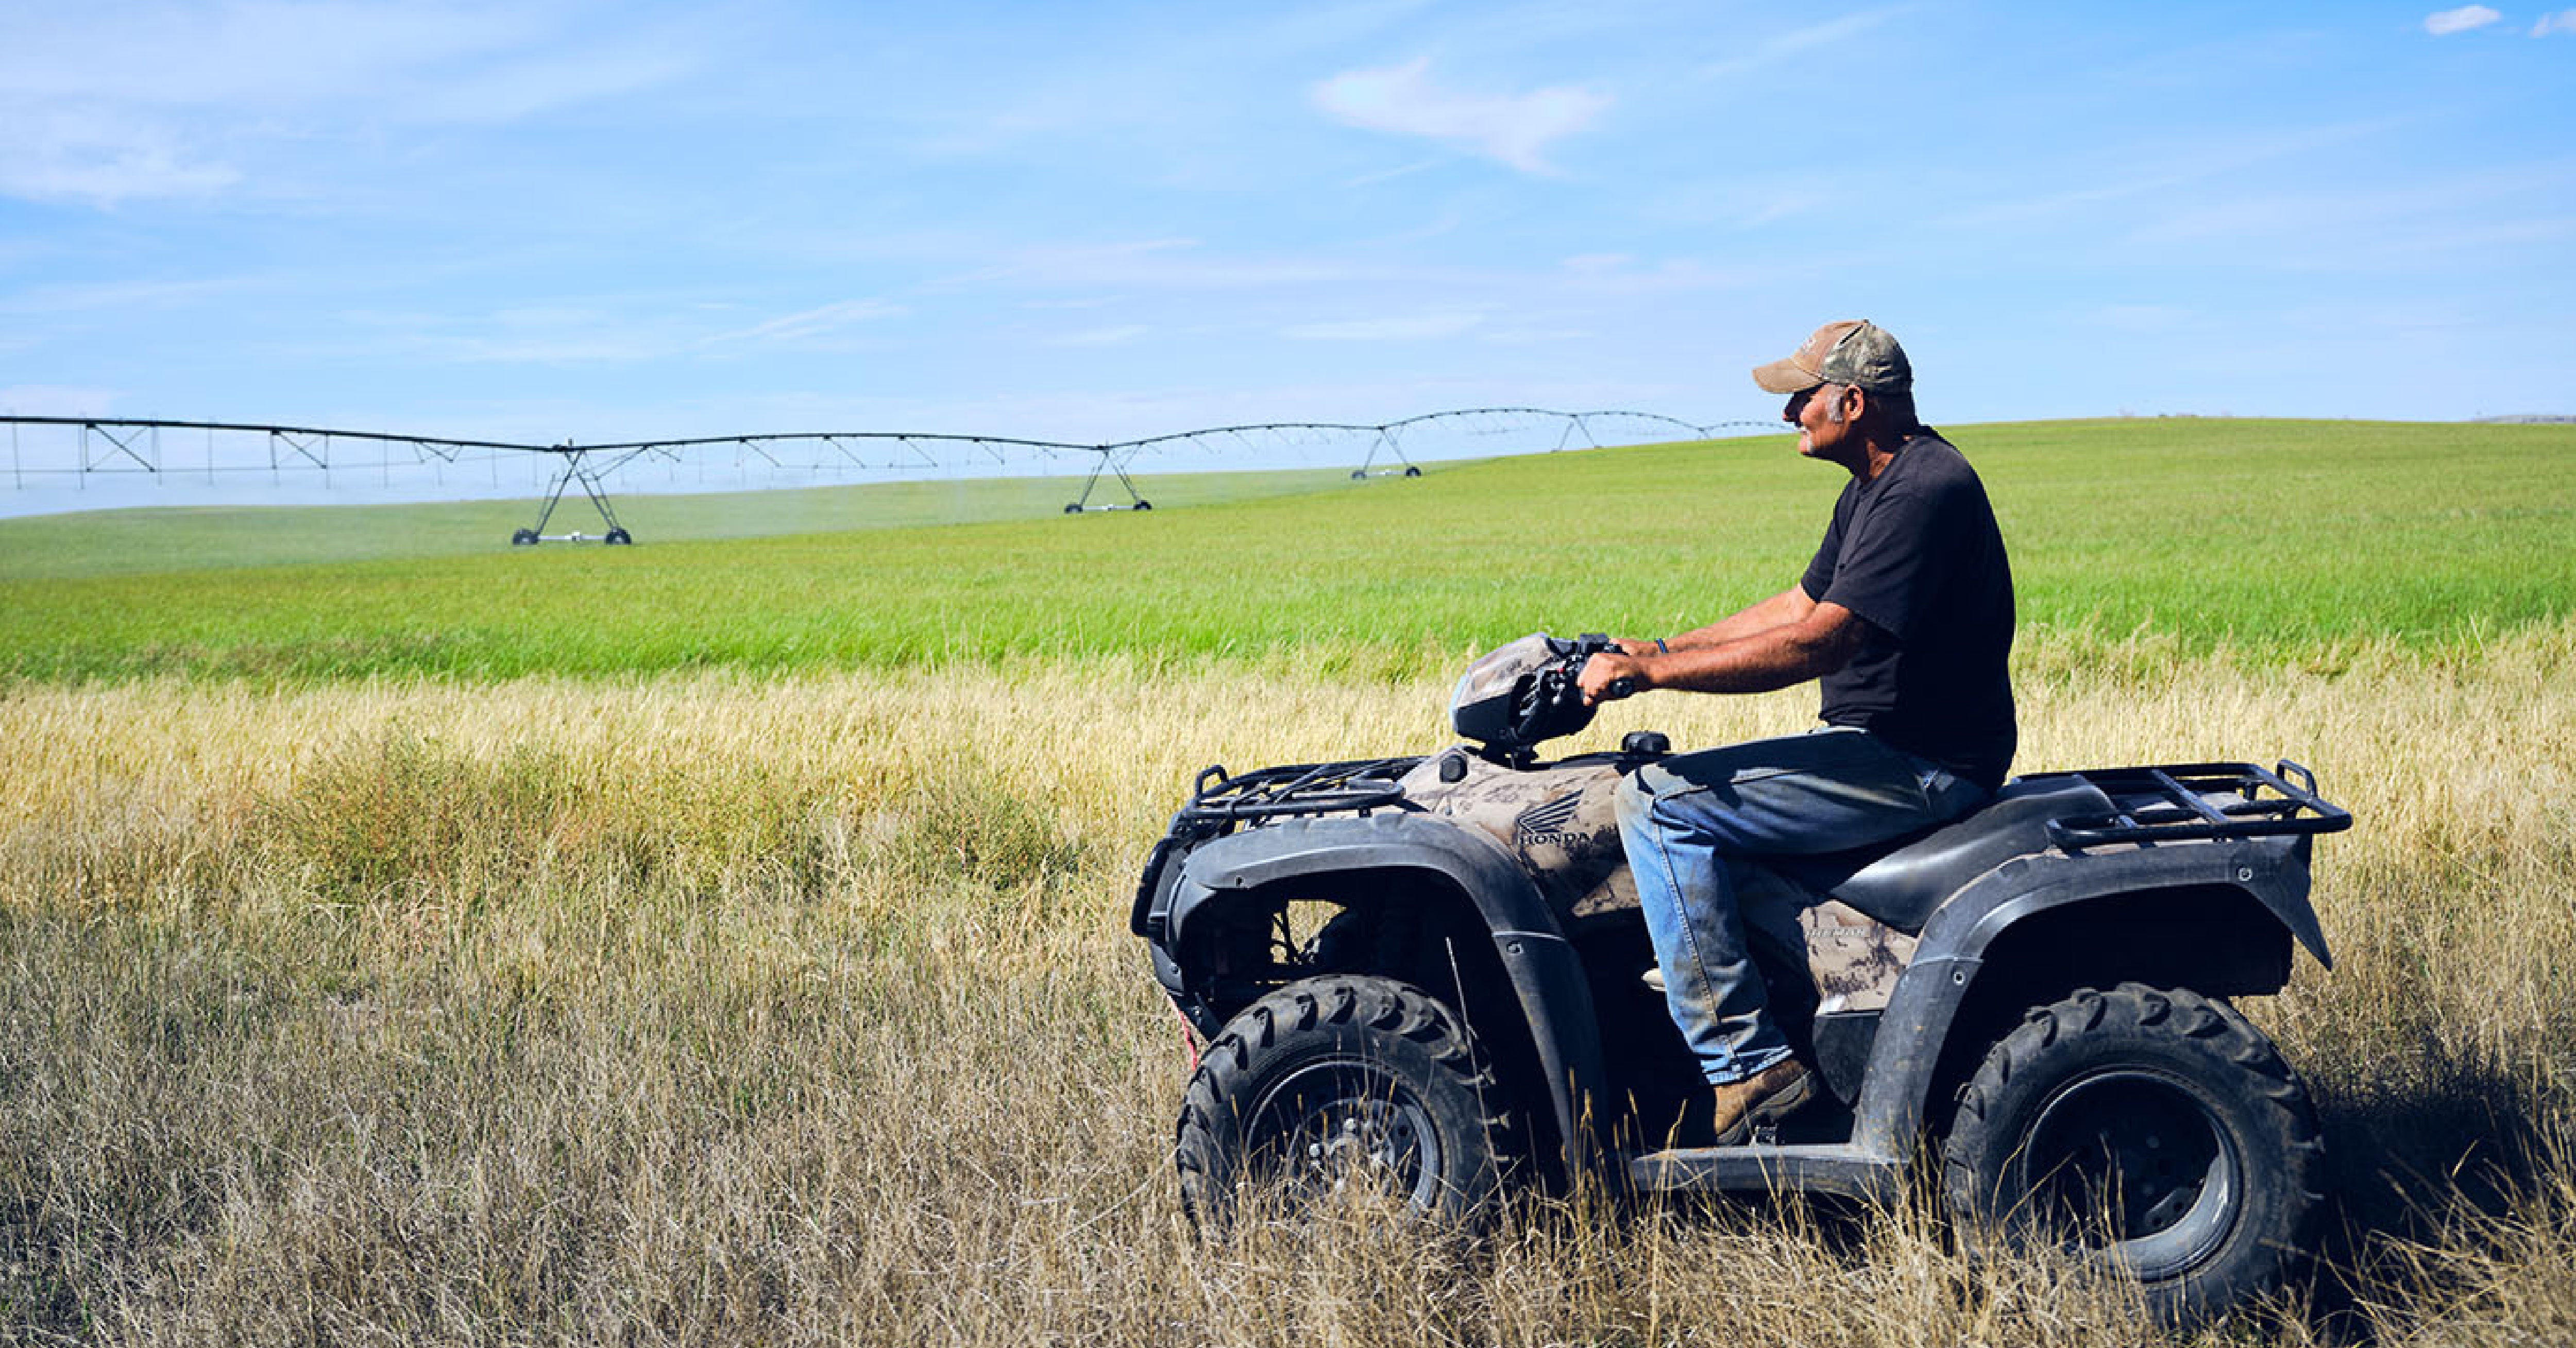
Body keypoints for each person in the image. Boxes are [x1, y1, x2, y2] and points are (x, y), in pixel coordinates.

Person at [1574, 319, 2016, 1145]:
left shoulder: (1927, 488)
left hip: (1918, 761)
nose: (1790, 416)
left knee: (1656, 805)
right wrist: (1659, 646)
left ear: (1852, 401)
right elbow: (1798, 603)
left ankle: (1747, 1065)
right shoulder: (1875, 486)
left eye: (1801, 398)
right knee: (1684, 817)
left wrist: (1656, 677)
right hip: (1885, 747)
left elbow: (1824, 639)